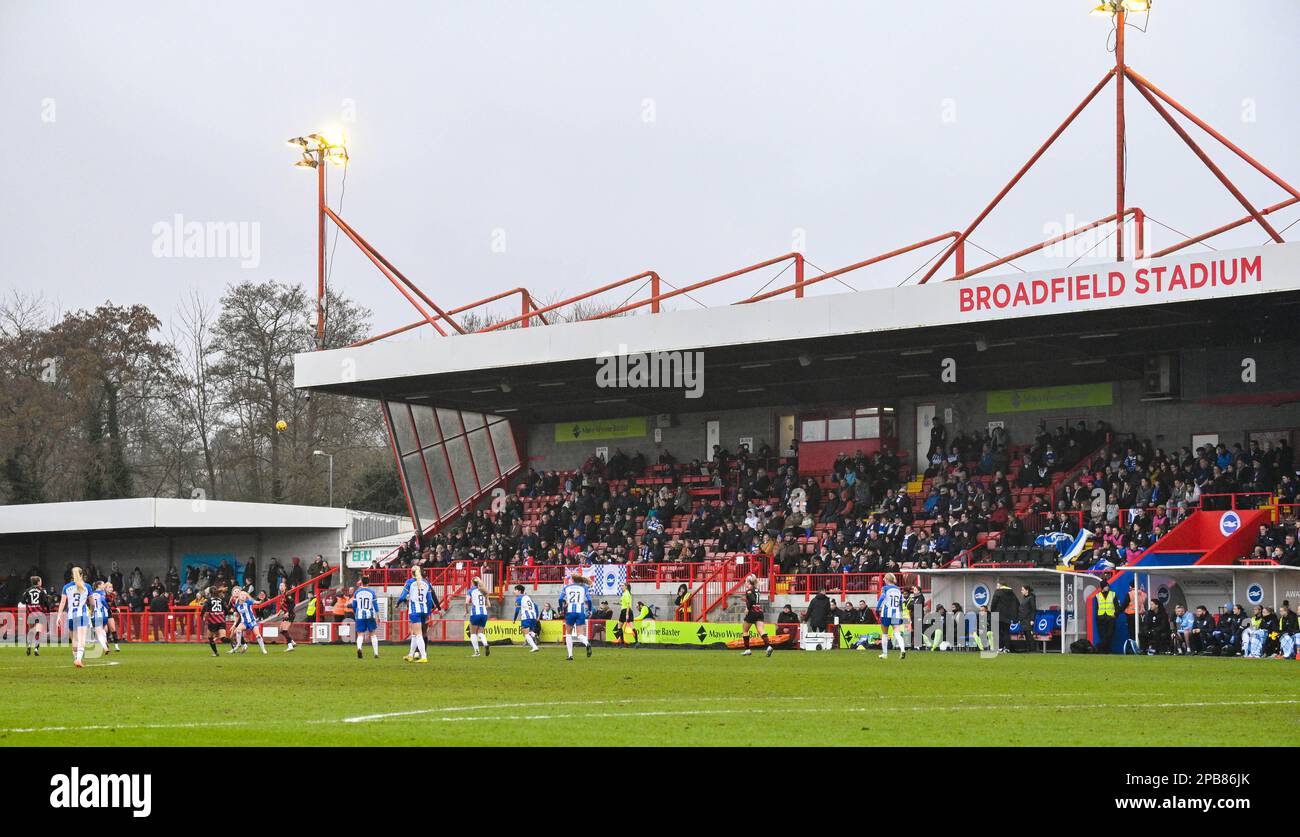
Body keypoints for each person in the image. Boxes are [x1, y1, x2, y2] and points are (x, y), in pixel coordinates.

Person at [398, 565, 438, 663]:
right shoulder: (426, 583)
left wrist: (398, 603)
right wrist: (428, 612)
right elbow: (429, 600)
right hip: (424, 610)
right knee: (415, 634)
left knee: (418, 633)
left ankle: (424, 656)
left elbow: (403, 596)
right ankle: (411, 655)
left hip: (414, 610)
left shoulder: (410, 582)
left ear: (411, 572)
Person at [55, 567, 92, 668]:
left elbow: (62, 603)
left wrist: (58, 616)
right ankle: (79, 659)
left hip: (70, 615)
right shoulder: (87, 586)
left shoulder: (66, 587)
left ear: (71, 575)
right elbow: (92, 603)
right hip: (82, 615)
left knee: (74, 639)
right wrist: (91, 611)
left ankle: (76, 658)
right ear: (82, 575)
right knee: (82, 638)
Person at [559, 573, 593, 661]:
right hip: (580, 612)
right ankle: (587, 643)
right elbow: (589, 600)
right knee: (580, 634)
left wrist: (561, 609)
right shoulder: (584, 588)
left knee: (568, 634)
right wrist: (589, 610)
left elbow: (560, 599)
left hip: (570, 612)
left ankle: (570, 655)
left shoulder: (566, 587)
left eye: (570, 578)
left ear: (572, 580)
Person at [739, 574, 773, 658]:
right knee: (761, 630)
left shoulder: (749, 591)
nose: (745, 584)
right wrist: (746, 600)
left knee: (745, 629)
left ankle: (747, 649)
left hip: (752, 611)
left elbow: (752, 600)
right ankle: (768, 646)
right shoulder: (757, 590)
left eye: (746, 582)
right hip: (759, 611)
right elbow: (754, 599)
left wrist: (747, 608)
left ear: (749, 582)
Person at [875, 572, 907, 660]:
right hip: (896, 613)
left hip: (886, 613)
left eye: (884, 578)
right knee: (897, 633)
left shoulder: (885, 588)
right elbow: (900, 603)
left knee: (885, 634)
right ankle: (903, 649)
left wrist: (877, 608)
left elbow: (882, 598)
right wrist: (900, 613)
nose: (883, 579)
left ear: (887, 579)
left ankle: (885, 654)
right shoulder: (898, 589)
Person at [350, 583, 380, 659]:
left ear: (362, 583)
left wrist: (355, 612)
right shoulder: (371, 592)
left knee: (360, 634)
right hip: (370, 615)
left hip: (360, 615)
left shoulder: (357, 592)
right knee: (373, 633)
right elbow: (375, 605)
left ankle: (359, 648)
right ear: (368, 583)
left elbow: (354, 605)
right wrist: (378, 615)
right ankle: (376, 653)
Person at [21, 576, 48, 656]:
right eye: (40, 581)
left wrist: (28, 603)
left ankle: (29, 645)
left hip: (31, 612)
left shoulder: (27, 590)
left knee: (31, 630)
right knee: (38, 631)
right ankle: (36, 649)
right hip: (39, 612)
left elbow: (22, 601)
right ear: (38, 582)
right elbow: (45, 602)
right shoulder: (42, 590)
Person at [201, 587, 231, 657]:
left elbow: (204, 609)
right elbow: (226, 610)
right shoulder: (221, 600)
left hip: (212, 621)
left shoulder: (208, 600)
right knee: (223, 638)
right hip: (221, 620)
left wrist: (202, 616)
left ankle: (216, 653)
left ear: (210, 593)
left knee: (210, 638)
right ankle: (232, 641)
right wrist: (222, 615)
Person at [990, 582, 1019, 653]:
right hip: (1008, 616)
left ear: (1001, 585)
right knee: (1006, 632)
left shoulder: (998, 592)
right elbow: (1017, 603)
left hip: (998, 615)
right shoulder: (1011, 593)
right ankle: (1007, 648)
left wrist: (992, 611)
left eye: (997, 585)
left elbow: (993, 603)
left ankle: (1000, 647)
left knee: (998, 632)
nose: (996, 586)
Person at [466, 576, 491, 658]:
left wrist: (466, 611)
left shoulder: (470, 591)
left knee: (472, 633)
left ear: (473, 583)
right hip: (484, 613)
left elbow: (466, 602)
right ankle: (485, 643)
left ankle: (477, 652)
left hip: (475, 613)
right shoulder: (484, 591)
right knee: (480, 632)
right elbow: (489, 605)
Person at [513, 584, 541, 653]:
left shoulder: (519, 598)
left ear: (519, 591)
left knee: (525, 633)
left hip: (526, 617)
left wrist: (514, 619)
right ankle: (534, 634)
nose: (514, 592)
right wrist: (537, 616)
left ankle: (534, 647)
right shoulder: (528, 597)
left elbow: (517, 610)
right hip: (533, 616)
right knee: (529, 631)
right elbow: (536, 606)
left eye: (515, 590)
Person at [1094, 580, 1118, 654]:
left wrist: (1115, 615)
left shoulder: (1113, 594)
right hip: (1101, 617)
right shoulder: (1097, 595)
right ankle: (1106, 650)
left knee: (1109, 634)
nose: (1107, 587)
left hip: (1110, 617)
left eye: (1107, 585)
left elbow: (1116, 605)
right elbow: (1097, 607)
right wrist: (1097, 616)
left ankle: (1099, 647)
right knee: (1103, 635)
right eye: (1106, 586)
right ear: (1102, 587)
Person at [89, 581, 111, 656]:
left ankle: (105, 646)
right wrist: (108, 607)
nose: (104, 586)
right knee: (103, 630)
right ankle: (105, 643)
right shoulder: (102, 593)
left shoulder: (91, 593)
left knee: (99, 632)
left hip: (94, 615)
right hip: (101, 614)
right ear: (98, 586)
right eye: (103, 584)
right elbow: (102, 600)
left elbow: (90, 603)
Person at [277, 581, 298, 652]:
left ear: (285, 587)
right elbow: (283, 605)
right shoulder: (282, 595)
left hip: (290, 614)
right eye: (280, 586)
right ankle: (292, 642)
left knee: (284, 629)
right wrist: (279, 612)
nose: (281, 587)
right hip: (286, 613)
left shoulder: (287, 593)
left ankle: (290, 646)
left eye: (282, 586)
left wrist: (288, 612)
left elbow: (293, 604)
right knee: (281, 630)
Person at [617, 582, 638, 647]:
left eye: (622, 586)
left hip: (626, 611)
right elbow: (625, 603)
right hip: (625, 610)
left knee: (621, 626)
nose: (621, 587)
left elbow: (628, 604)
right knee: (620, 626)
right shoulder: (625, 594)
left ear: (626, 586)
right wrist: (618, 604)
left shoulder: (627, 593)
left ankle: (634, 642)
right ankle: (624, 642)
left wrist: (627, 614)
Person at [1017, 585, 1037, 653]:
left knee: (1029, 635)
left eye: (1022, 589)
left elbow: (1033, 609)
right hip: (1023, 619)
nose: (1021, 591)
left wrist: (1032, 619)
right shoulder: (1024, 598)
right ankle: (1028, 649)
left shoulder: (1031, 598)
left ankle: (1033, 650)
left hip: (1028, 619)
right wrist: (1020, 619)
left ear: (1027, 590)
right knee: (1026, 634)